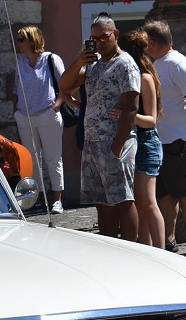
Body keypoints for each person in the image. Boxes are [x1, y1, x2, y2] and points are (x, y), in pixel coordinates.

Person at [60, 13, 140, 240]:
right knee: (101, 203)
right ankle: (109, 249)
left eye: (104, 38)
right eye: (94, 39)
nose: (99, 43)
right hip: (92, 142)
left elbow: (131, 108)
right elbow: (64, 85)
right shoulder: (93, 64)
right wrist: (79, 61)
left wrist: (117, 147)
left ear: (115, 34)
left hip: (116, 142)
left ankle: (131, 251)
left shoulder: (125, 64)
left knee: (123, 201)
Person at [144, 19, 186, 256]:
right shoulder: (157, 64)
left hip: (181, 138)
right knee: (165, 193)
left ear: (152, 42)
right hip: (160, 138)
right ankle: (169, 238)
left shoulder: (179, 64)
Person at [112, 29, 165, 247]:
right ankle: (148, 251)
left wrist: (129, 116)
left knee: (148, 201)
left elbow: (151, 120)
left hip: (146, 141)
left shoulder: (145, 78)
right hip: (133, 141)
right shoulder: (130, 76)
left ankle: (163, 252)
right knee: (140, 203)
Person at [10, 25, 65, 213]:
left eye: (21, 40)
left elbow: (65, 83)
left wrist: (57, 105)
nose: (18, 43)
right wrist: (17, 111)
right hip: (25, 115)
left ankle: (57, 199)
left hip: (47, 112)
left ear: (32, 40)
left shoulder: (51, 59)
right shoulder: (20, 63)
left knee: (52, 158)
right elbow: (16, 89)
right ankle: (39, 199)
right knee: (32, 160)